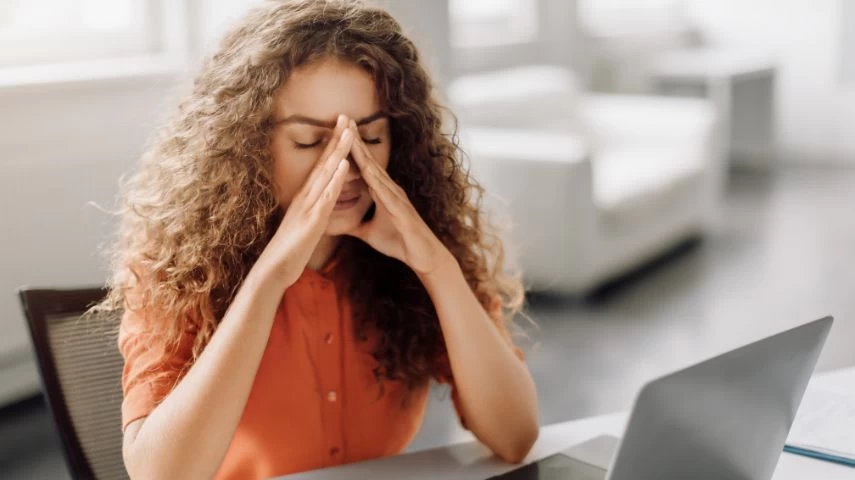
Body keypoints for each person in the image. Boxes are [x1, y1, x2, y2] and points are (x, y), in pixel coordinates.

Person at [98, 1, 539, 478]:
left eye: (369, 138)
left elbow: (515, 437)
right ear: (248, 146)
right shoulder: (175, 266)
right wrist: (269, 279)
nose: (346, 169)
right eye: (310, 142)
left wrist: (437, 267)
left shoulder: (420, 255)